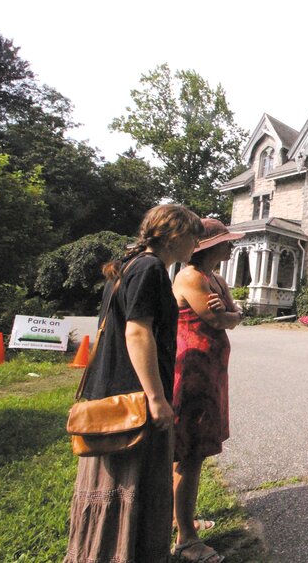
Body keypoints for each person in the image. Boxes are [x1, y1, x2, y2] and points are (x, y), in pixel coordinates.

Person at [65, 204, 204, 563]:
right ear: (174, 235)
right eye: (193, 235)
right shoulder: (150, 268)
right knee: (131, 483)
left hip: (111, 391)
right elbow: (138, 332)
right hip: (132, 398)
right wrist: (157, 398)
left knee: (113, 486)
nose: (196, 244)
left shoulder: (128, 266)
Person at [171, 218, 245, 563]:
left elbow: (234, 314)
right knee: (190, 453)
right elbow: (218, 319)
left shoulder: (216, 279)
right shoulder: (190, 277)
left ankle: (180, 519)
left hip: (211, 372)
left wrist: (233, 312)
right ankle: (186, 538)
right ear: (209, 246)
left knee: (194, 451)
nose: (232, 246)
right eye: (227, 241)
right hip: (192, 373)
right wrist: (231, 314)